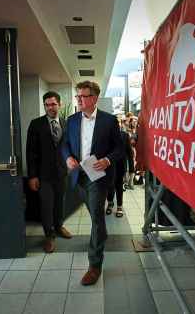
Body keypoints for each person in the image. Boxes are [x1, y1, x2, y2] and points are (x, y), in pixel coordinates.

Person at [61, 80, 123, 286]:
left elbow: (119, 149)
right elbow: (65, 145)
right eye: (77, 96)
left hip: (98, 176)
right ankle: (101, 233)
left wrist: (107, 160)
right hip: (79, 175)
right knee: (96, 216)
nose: (78, 99)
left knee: (96, 216)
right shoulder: (71, 120)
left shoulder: (109, 121)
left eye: (82, 96)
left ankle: (94, 265)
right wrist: (67, 157)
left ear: (94, 98)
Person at [26, 91, 72, 253]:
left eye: (53, 104)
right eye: (47, 105)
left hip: (61, 173)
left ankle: (59, 227)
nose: (50, 107)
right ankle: (49, 236)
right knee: (46, 205)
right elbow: (31, 152)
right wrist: (32, 176)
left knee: (60, 202)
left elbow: (71, 148)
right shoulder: (36, 124)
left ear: (60, 105)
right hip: (43, 175)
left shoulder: (67, 124)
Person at [106, 123, 132, 217]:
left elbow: (129, 153)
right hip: (109, 165)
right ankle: (110, 203)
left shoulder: (124, 135)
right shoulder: (106, 136)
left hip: (120, 166)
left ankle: (119, 206)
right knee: (109, 185)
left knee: (119, 186)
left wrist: (131, 170)